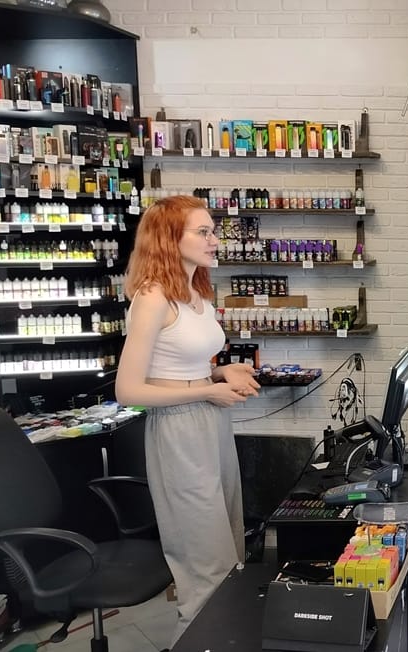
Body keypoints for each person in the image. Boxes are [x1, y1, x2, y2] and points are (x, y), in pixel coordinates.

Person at [116, 195, 260, 645]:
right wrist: (206, 390)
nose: (215, 240)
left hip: (211, 425)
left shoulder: (195, 292)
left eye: (213, 231)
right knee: (206, 568)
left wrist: (220, 373)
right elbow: (128, 390)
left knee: (230, 552)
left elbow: (180, 366)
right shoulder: (152, 297)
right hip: (178, 430)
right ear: (168, 239)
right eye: (203, 232)